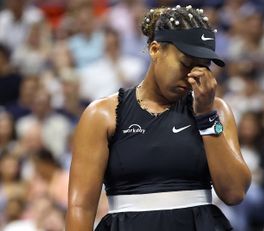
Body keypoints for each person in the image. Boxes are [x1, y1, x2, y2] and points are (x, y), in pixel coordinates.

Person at [66, 5, 251, 231]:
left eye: (202, 67)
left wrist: (205, 118)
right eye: (185, 63)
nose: (193, 76)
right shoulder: (101, 115)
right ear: (155, 50)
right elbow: (80, 207)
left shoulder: (216, 111)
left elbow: (234, 192)